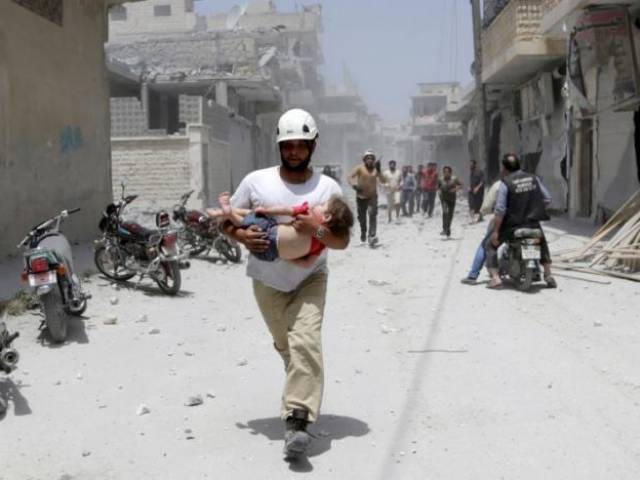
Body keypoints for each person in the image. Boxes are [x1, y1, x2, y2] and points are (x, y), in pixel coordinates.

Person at [223, 109, 349, 458]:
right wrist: (242, 237)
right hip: (267, 281)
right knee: (288, 346)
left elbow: (341, 241)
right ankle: (297, 370)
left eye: (301, 145)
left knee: (305, 341)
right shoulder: (255, 182)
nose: (294, 151)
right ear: (279, 146)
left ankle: (297, 421)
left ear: (313, 146)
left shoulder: (328, 188)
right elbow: (227, 222)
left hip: (312, 276)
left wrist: (316, 230)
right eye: (288, 145)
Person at [208, 192, 353, 268]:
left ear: (327, 217)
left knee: (254, 217)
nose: (318, 205)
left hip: (268, 233)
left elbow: (343, 243)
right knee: (250, 219)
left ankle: (228, 212)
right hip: (270, 255)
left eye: (322, 205)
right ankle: (226, 212)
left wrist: (315, 230)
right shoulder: (320, 246)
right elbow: (305, 264)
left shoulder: (309, 213)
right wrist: (288, 257)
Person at [484, 153, 557, 289]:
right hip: (532, 222)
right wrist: (534, 209)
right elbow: (547, 199)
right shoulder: (533, 178)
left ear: (505, 168)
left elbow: (500, 210)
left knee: (490, 246)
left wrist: (495, 231)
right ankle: (548, 274)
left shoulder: (505, 183)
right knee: (542, 243)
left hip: (512, 225)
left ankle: (495, 278)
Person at [460, 174, 504, 285]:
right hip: (525, 221)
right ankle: (538, 271)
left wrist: (482, 213)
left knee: (485, 245)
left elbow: (486, 206)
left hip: (503, 221)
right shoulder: (531, 181)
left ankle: (473, 275)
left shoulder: (499, 185)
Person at [348, 149, 383, 245]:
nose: (370, 160)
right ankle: (363, 231)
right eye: (368, 158)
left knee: (372, 215)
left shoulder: (376, 169)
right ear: (364, 159)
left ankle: (372, 235)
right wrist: (354, 185)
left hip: (372, 197)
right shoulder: (359, 168)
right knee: (362, 218)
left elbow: (383, 180)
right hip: (361, 197)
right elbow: (349, 177)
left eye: (372, 158)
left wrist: (380, 170)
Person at [438, 166, 463, 238]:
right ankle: (444, 228)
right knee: (445, 212)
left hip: (452, 199)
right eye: (444, 172)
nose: (446, 173)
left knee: (450, 214)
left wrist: (455, 189)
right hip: (444, 199)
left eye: (447, 172)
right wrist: (439, 192)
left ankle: (448, 228)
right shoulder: (440, 179)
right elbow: (438, 187)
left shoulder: (454, 179)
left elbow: (461, 185)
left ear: (450, 173)